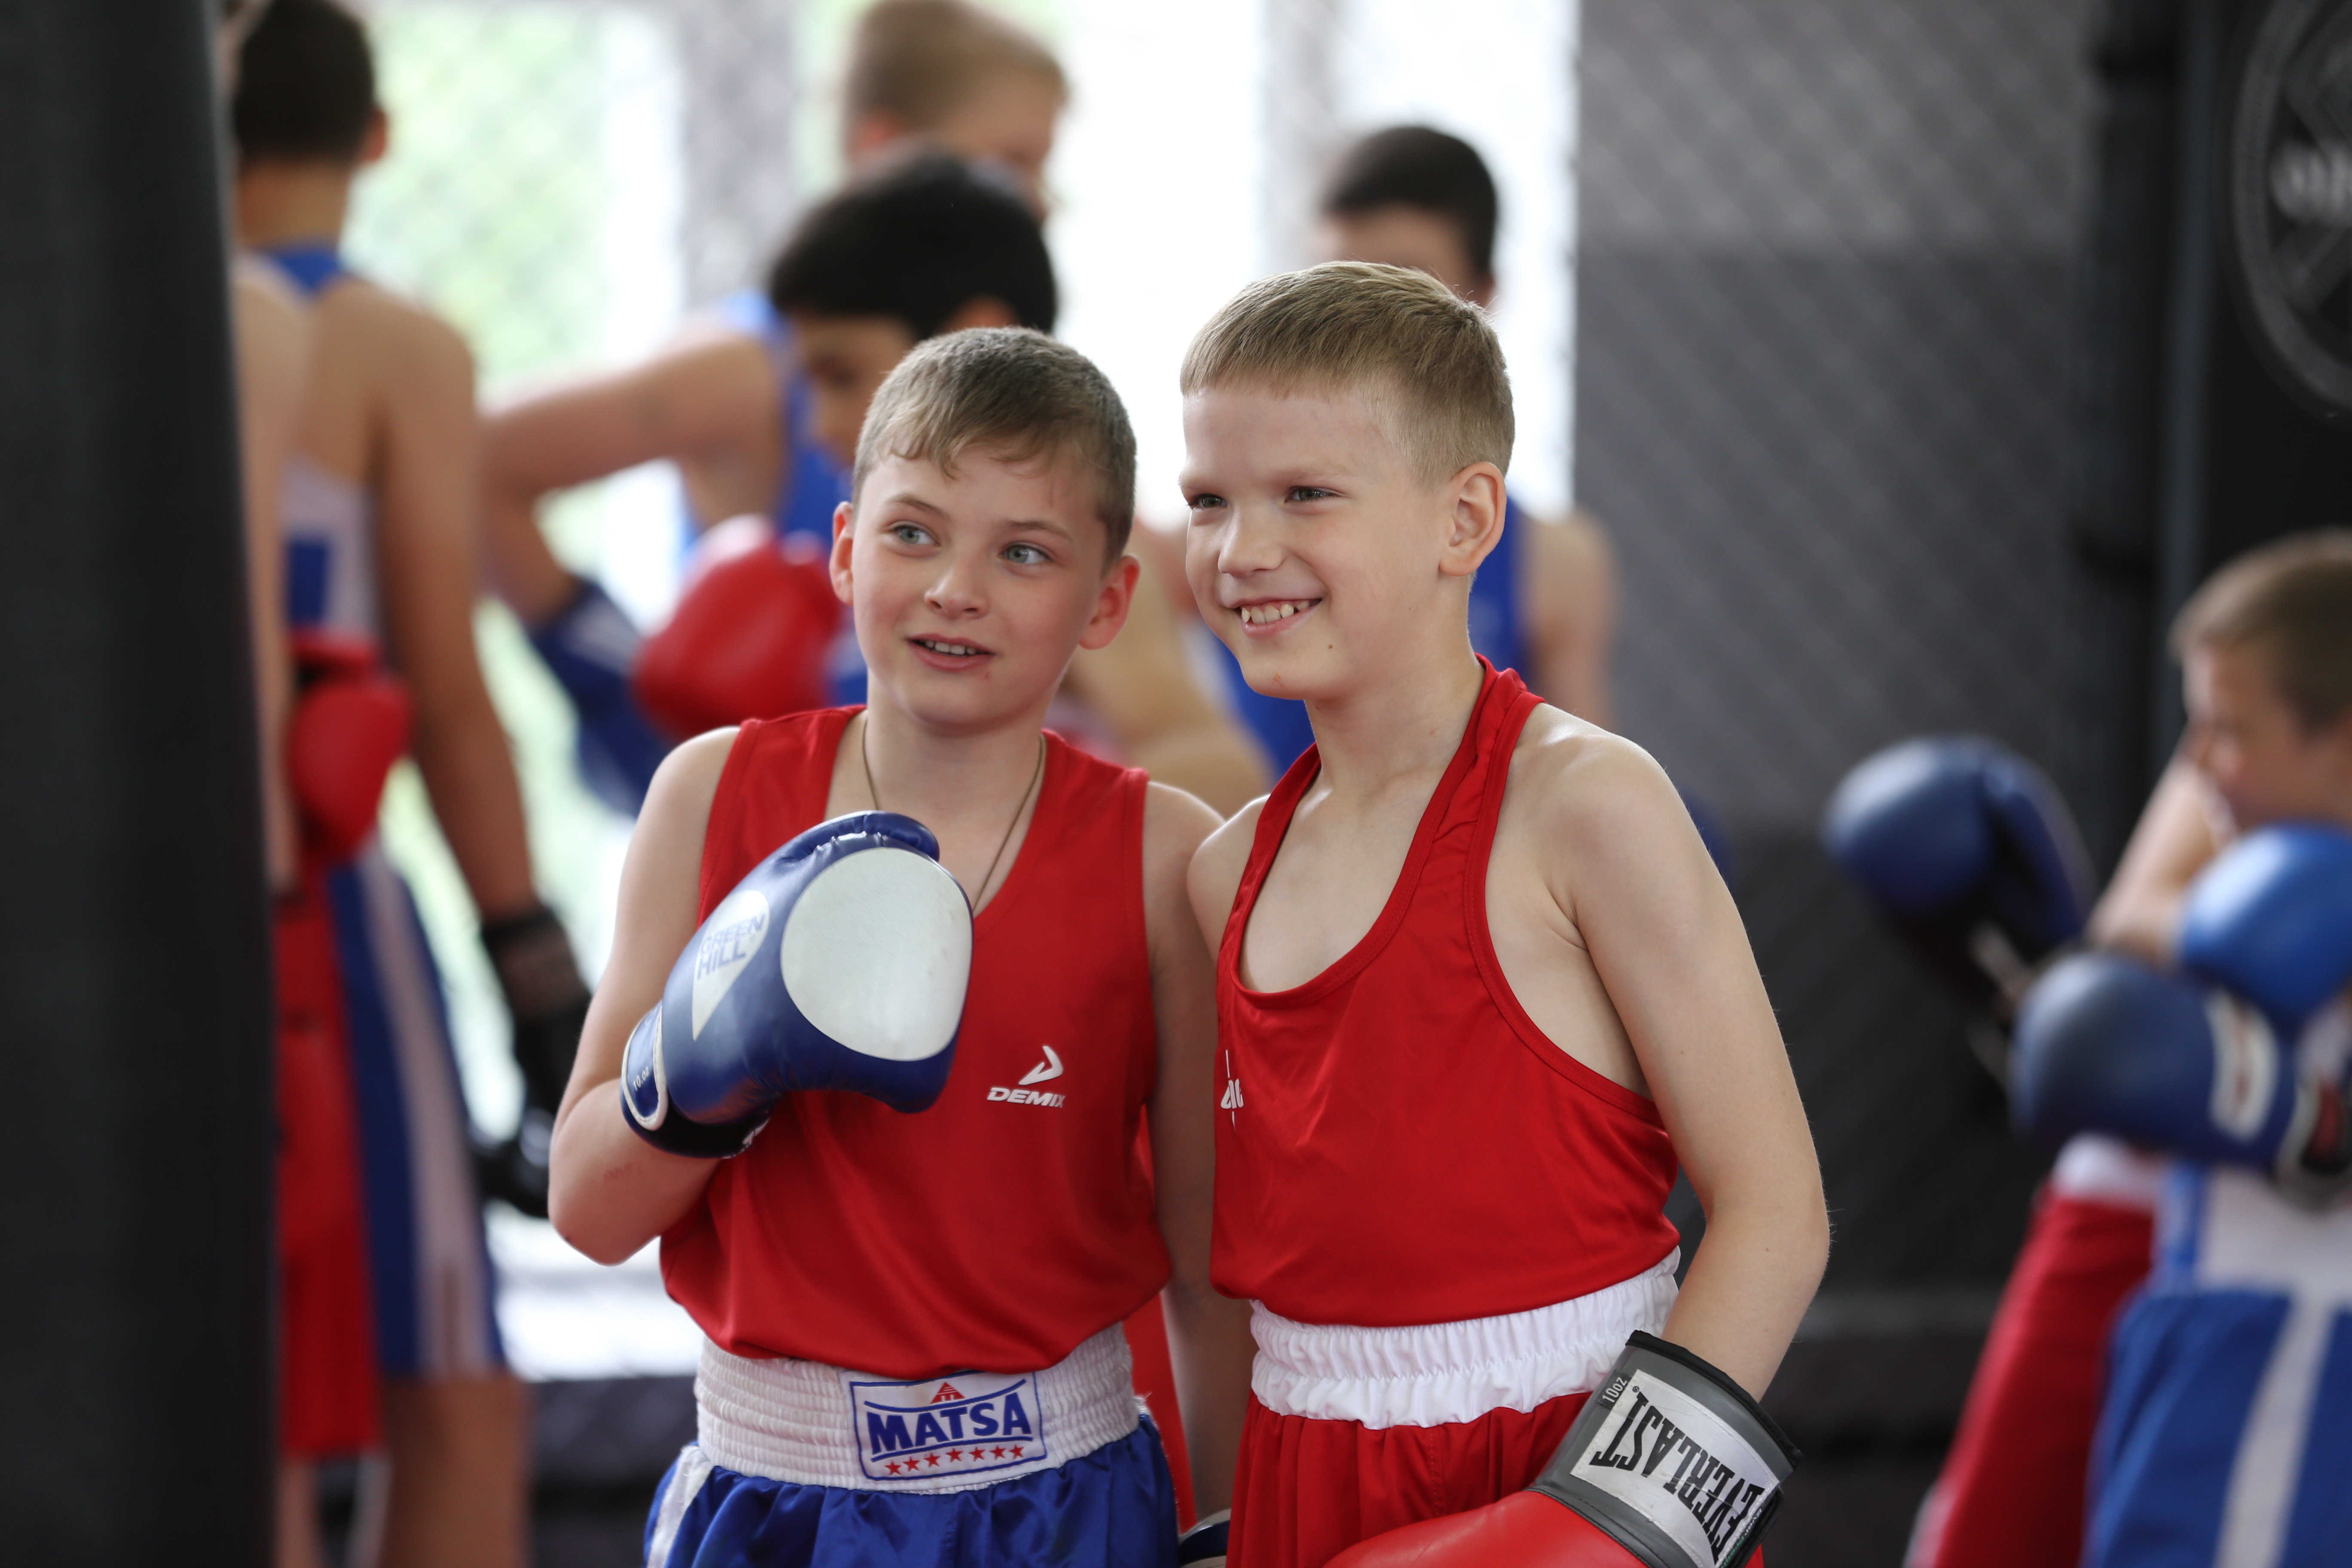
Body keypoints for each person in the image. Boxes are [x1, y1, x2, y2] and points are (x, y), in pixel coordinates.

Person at [547, 328, 1256, 1565]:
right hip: (770, 1498)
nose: (954, 588)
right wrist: (701, 1072)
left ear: (1107, 602)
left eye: (1023, 552)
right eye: (913, 533)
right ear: (843, 547)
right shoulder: (710, 798)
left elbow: (1208, 1269)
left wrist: (1227, 1535)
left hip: (1062, 1506)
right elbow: (588, 1212)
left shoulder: (1161, 858)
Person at [1176, 262, 1828, 1568]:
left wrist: (1597, 1534)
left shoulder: (1587, 805)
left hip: (1573, 1459)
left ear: (1465, 517)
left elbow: (1777, 1208)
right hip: (1306, 1478)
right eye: (1209, 501)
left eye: (1306, 494)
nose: (1242, 550)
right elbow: (1231, 1278)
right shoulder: (1225, 867)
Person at [482, 9, 1268, 819]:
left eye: (840, 377)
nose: (1040, 200)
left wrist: (1056, 867)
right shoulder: (744, 375)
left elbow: (1199, 756)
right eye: (1011, 162)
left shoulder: (1048, 534)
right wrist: (615, 676)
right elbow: (481, 453)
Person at [232, 4, 599, 1562]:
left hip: (94, 905)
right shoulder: (386, 347)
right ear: (375, 140)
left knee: (214, 1369)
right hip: (314, 898)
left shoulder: (80, 304)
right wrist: (534, 960)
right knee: (449, 1379)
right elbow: (443, 692)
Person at [1999, 532, 2352, 1568]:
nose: (2196, 765)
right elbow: (2130, 922)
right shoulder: (2263, 891)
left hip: (2296, 1343)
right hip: (2195, 1309)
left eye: (2227, 732)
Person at [1164, 127, 1618, 777]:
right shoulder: (1196, 553)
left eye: (1406, 280)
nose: (1364, 313)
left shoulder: (1557, 564)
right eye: (1336, 279)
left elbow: (1581, 764)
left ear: (1482, 294)